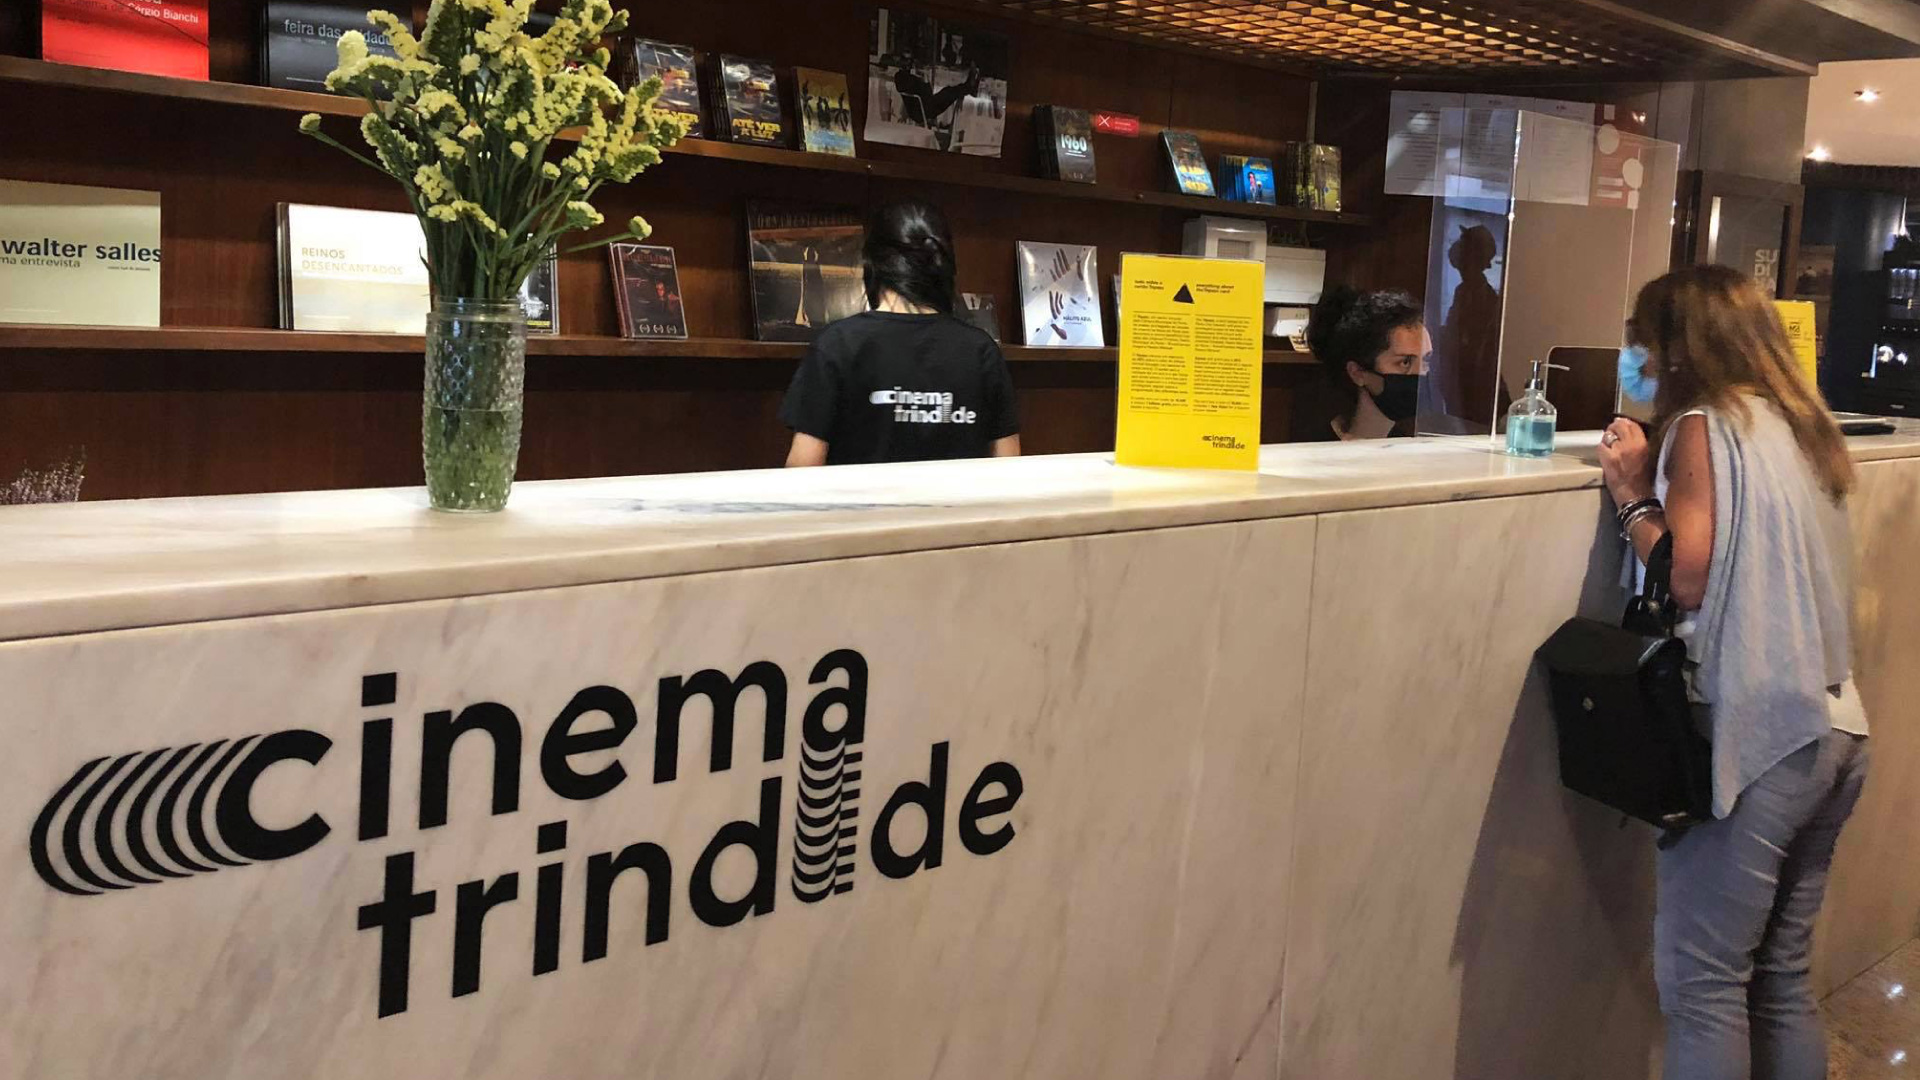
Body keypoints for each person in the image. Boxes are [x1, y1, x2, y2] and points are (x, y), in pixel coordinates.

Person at [1597, 265, 1866, 1080]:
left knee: (1705, 987)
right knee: (1780, 979)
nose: (1637, 356)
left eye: (1644, 338)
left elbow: (1686, 574)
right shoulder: (1802, 424)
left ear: (1680, 344)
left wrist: (1631, 494)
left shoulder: (1704, 426)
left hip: (1759, 734)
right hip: (1837, 727)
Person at [781, 200, 1020, 467]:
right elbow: (1009, 468)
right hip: (958, 497)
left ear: (872, 264)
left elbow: (802, 469)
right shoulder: (981, 351)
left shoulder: (837, 344)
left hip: (862, 497)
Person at [1303, 285, 1426, 440]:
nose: (1422, 373)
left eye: (1427, 359)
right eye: (1405, 362)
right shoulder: (1318, 449)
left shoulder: (1408, 444)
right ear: (1357, 373)